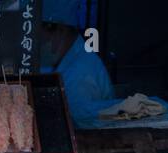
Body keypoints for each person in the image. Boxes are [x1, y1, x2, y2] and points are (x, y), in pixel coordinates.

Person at [40, 0, 123, 129]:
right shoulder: (68, 59)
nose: (38, 44)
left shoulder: (80, 74)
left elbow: (79, 129)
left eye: (41, 37)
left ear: (60, 31)